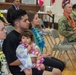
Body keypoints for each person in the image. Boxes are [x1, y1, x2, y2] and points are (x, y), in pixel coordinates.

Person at [2, 9, 62, 75]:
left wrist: (39, 56)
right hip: (21, 69)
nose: (28, 22)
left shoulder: (25, 33)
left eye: (28, 19)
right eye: (25, 20)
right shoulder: (11, 38)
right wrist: (31, 59)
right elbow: (12, 62)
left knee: (58, 71)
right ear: (17, 23)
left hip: (32, 63)